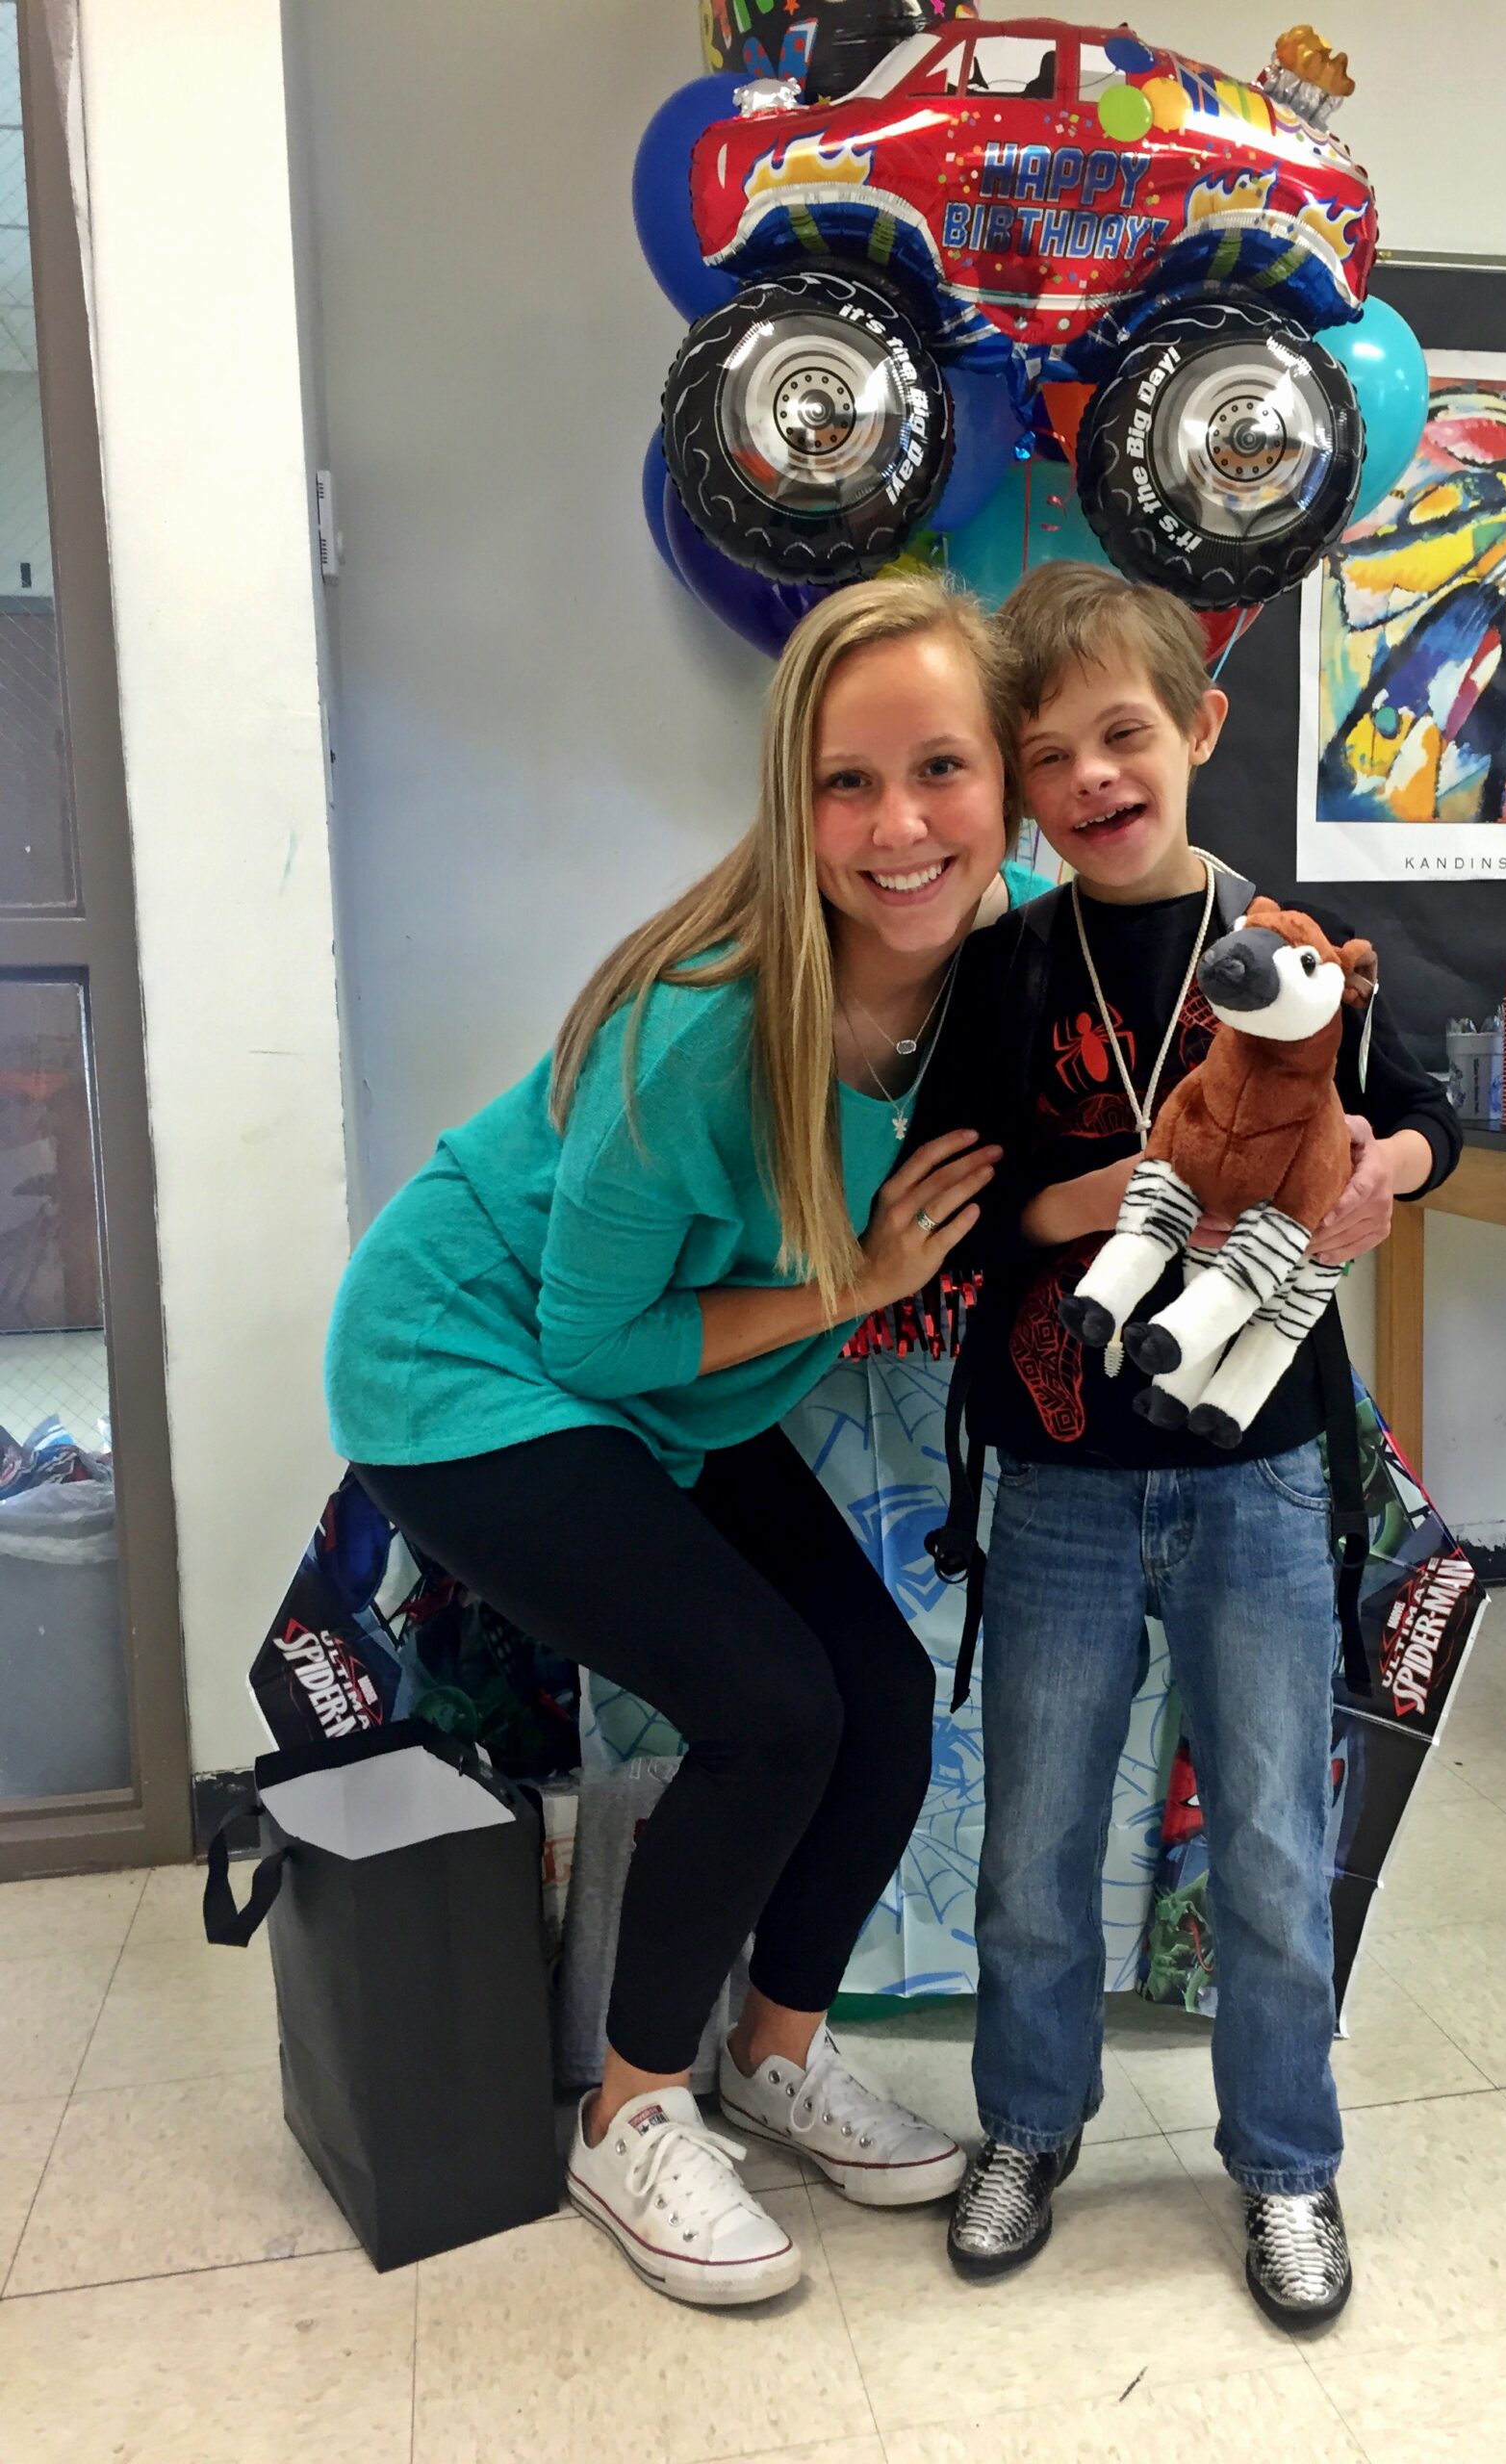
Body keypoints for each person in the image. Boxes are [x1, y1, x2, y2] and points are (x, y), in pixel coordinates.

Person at [325, 574, 1025, 2310]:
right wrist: (861, 1278)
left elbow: (1198, 934)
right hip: (472, 1373)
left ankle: (774, 2055)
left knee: (879, 1695)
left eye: (941, 768)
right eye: (846, 785)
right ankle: (632, 2114)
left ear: (1004, 779)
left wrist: (1373, 1149)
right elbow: (593, 1337)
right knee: (772, 1711)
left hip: (674, 1394)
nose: (899, 826)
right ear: (791, 805)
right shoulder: (701, 1027)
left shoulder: (995, 960)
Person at [934, 563, 1461, 2328]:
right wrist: (1084, 1197)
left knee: (1266, 1841)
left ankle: (1290, 2168)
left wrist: (1389, 1171)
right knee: (1032, 1843)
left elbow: (1421, 1110)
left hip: (1259, 1476)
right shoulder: (1005, 966)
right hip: (1060, 1476)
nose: (1091, 777)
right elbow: (953, 1199)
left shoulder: (1293, 949)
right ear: (1019, 786)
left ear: (1200, 730)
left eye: (1124, 734)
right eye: (1049, 755)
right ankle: (1025, 2126)